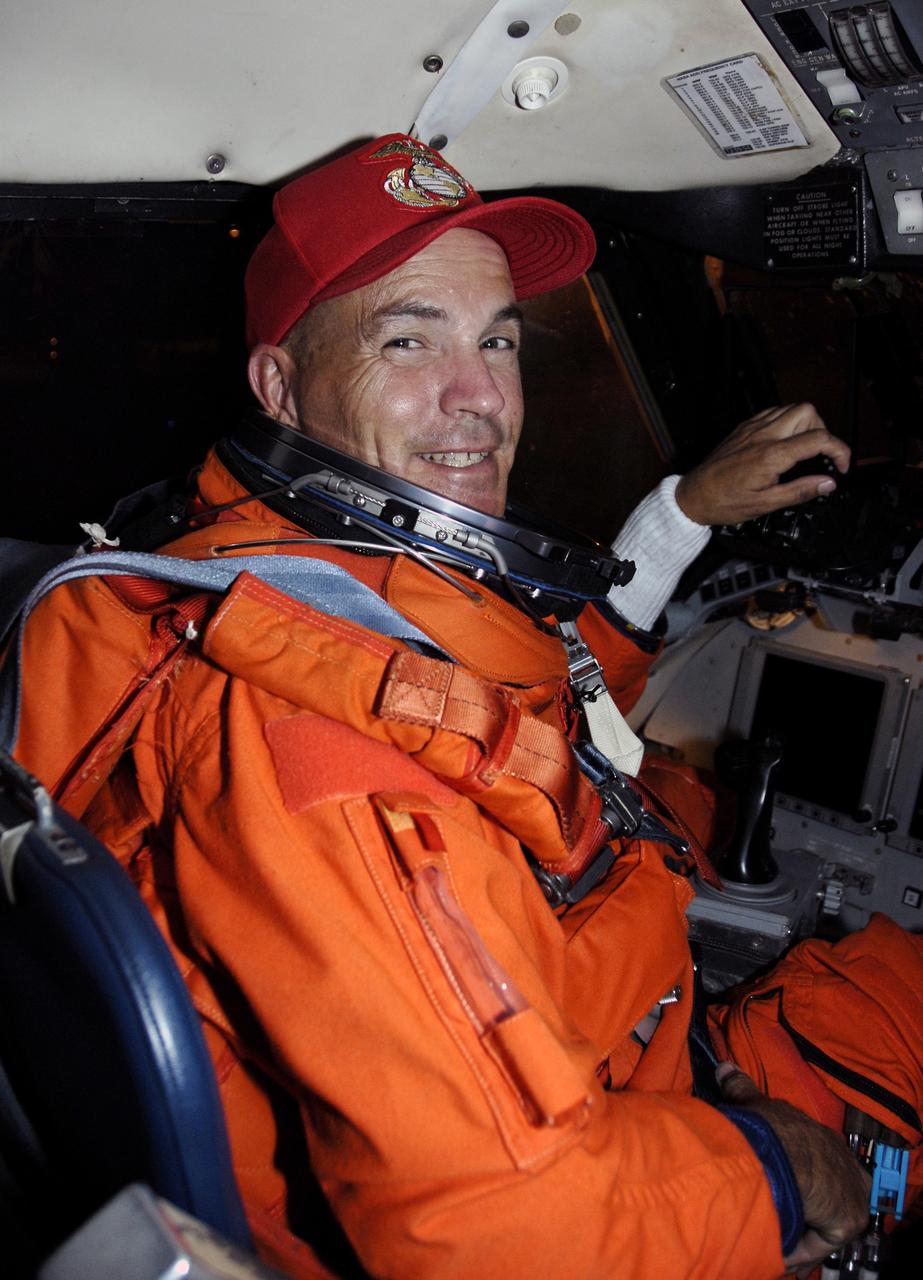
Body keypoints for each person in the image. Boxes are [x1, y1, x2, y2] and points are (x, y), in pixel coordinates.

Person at [10, 134, 918, 1280]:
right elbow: (499, 1232)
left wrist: (678, 514)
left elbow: (513, 701)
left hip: (595, 1021)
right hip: (607, 1144)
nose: (480, 395)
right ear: (278, 384)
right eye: (408, 338)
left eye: (496, 336)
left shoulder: (282, 572)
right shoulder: (310, 749)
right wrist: (785, 1169)